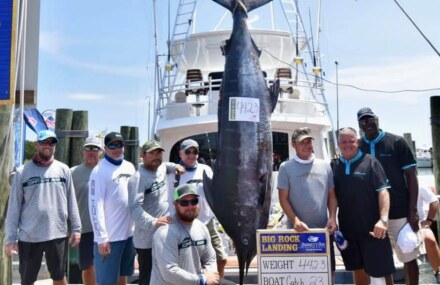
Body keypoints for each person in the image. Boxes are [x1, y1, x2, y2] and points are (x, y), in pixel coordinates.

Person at [5, 129, 81, 285]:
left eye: (52, 142)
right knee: (27, 280)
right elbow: (14, 208)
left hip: (57, 234)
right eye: (44, 142)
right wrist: (11, 238)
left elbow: (71, 200)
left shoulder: (63, 169)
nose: (48, 145)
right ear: (36, 144)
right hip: (29, 236)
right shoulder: (21, 172)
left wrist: (76, 228)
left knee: (59, 277)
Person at [357, 107, 420, 284]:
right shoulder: (358, 146)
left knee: (408, 255)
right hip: (372, 215)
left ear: (377, 119)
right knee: (382, 261)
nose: (367, 123)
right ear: (359, 124)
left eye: (370, 119)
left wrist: (413, 210)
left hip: (399, 211)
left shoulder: (397, 142)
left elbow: (411, 177)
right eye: (363, 121)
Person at [332, 127, 394, 285]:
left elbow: (384, 192)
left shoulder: (371, 162)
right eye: (343, 141)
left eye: (351, 141)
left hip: (373, 229)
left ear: (358, 142)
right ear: (338, 144)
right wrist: (332, 217)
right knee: (357, 268)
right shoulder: (334, 165)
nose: (347, 144)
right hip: (348, 229)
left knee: (382, 271)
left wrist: (383, 220)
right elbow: (332, 196)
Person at [277, 127, 338, 278]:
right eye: (301, 142)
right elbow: (283, 199)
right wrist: (295, 220)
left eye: (308, 141)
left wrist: (332, 218)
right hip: (297, 232)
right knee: (300, 275)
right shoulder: (285, 167)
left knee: (328, 273)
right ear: (293, 145)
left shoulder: (325, 166)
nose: (306, 145)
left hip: (324, 232)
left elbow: (332, 195)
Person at [150, 184, 235, 285]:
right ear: (175, 204)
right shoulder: (164, 232)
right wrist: (202, 280)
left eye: (194, 201)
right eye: (184, 203)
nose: (190, 206)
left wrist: (210, 275)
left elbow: (210, 258)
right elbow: (169, 272)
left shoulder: (201, 227)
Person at [167, 139, 228, 278]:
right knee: (189, 264)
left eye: (194, 151)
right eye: (187, 151)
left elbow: (215, 193)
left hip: (207, 222)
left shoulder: (206, 169)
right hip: (184, 224)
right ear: (181, 154)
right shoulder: (173, 173)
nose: (191, 154)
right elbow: (170, 199)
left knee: (221, 259)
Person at [128, 140, 185, 285]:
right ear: (142, 155)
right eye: (151, 153)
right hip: (147, 240)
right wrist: (154, 222)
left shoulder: (161, 168)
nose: (156, 157)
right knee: (147, 278)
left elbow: (167, 165)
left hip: (164, 235)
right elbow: (134, 208)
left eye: (158, 153)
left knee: (165, 274)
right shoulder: (138, 178)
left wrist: (176, 166)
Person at [88, 131, 136, 285]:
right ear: (105, 148)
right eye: (112, 145)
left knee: (124, 274)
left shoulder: (130, 167)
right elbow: (95, 205)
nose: (117, 148)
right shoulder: (99, 171)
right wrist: (102, 237)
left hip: (129, 235)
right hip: (110, 238)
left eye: (120, 144)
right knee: (106, 281)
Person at [71, 136, 103, 285]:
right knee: (87, 267)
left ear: (101, 152)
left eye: (95, 148)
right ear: (82, 151)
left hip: (106, 229)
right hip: (85, 229)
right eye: (88, 148)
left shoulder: (107, 171)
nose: (91, 152)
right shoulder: (72, 172)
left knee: (107, 265)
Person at [417, 179, 440, 283]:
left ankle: (438, 271)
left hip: (419, 223)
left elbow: (434, 201)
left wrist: (429, 220)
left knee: (430, 239)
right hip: (395, 222)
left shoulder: (420, 184)